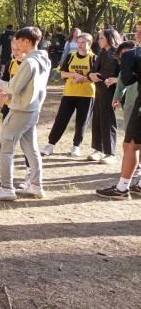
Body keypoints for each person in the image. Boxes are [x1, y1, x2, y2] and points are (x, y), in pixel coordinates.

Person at [0, 27, 50, 201]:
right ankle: (36, 185)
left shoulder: (29, 62)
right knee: (31, 148)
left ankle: (6, 188)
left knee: (4, 148)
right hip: (32, 110)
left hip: (21, 110)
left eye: (19, 41)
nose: (17, 44)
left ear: (27, 42)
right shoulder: (44, 59)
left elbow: (14, 87)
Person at [96, 32, 141, 200]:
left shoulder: (132, 54)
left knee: (130, 145)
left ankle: (122, 188)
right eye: (136, 31)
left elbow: (127, 78)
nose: (137, 35)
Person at [41, 33, 95, 157]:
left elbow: (94, 76)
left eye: (83, 43)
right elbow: (63, 73)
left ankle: (76, 146)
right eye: (78, 42)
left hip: (87, 94)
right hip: (70, 93)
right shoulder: (71, 56)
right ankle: (50, 144)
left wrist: (82, 79)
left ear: (89, 44)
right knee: (61, 119)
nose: (80, 45)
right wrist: (74, 75)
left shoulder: (93, 58)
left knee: (82, 121)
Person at [86, 28, 122, 164]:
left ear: (109, 38)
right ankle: (98, 150)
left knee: (108, 121)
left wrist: (115, 79)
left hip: (111, 92)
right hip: (99, 91)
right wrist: (91, 75)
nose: (99, 41)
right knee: (97, 119)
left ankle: (110, 153)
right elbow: (94, 70)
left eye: (101, 38)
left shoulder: (117, 54)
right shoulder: (101, 53)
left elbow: (124, 73)